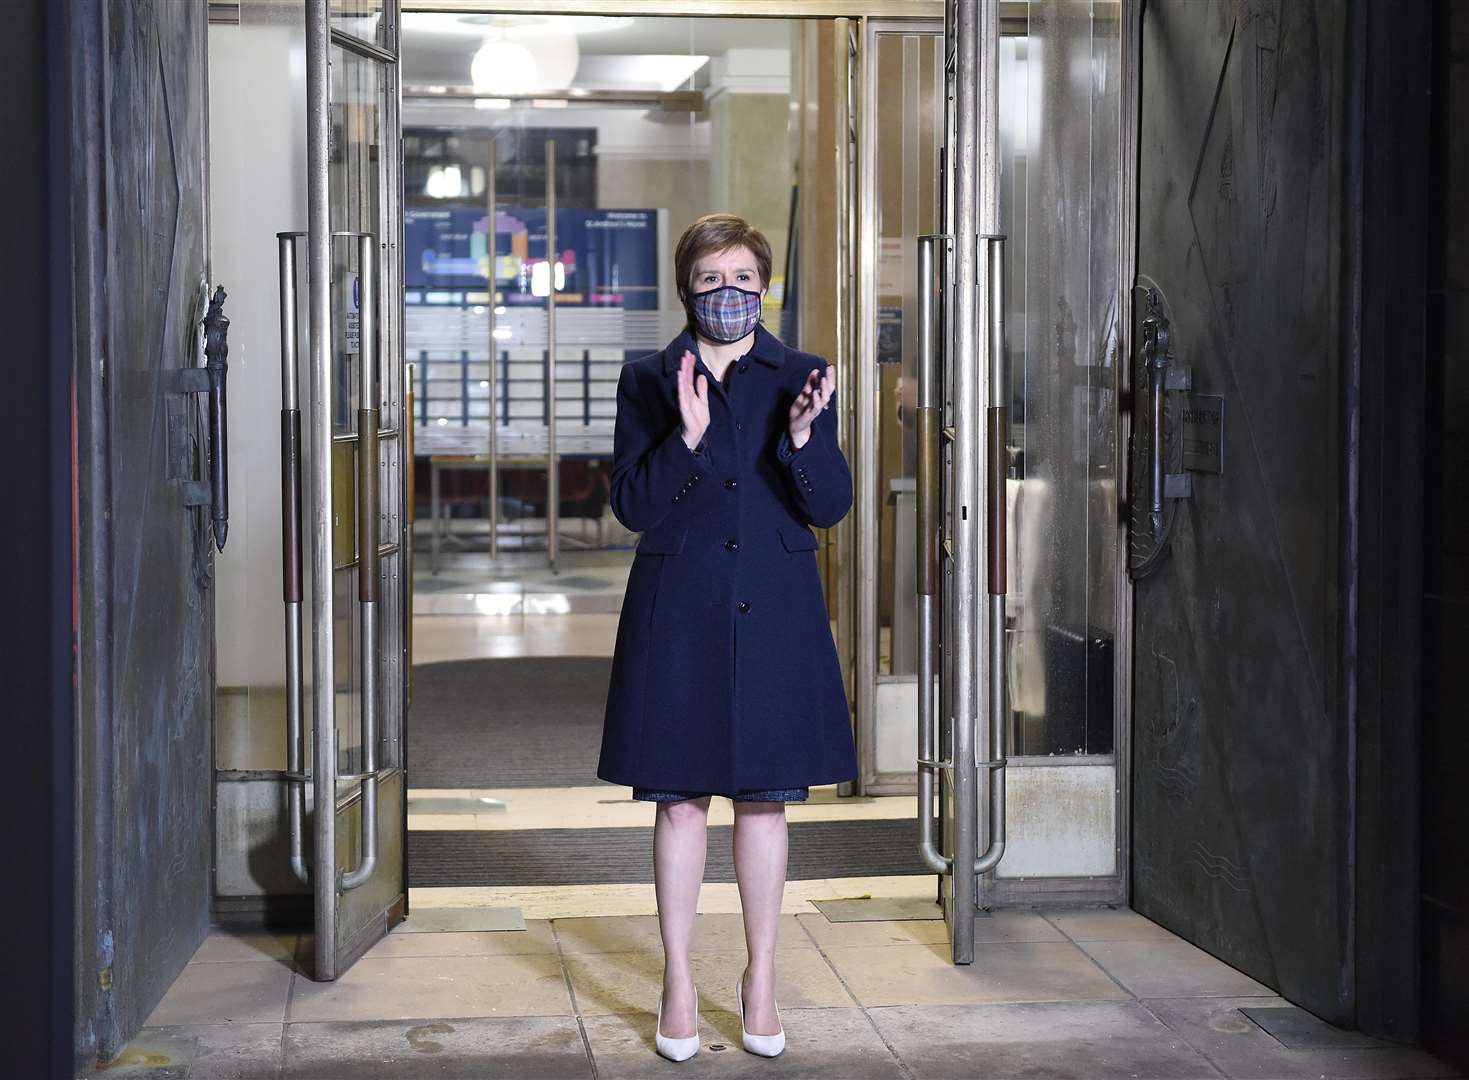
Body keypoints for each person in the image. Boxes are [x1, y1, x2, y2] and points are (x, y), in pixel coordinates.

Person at [596, 212, 858, 1061]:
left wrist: (804, 439)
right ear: (685, 288)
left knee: (765, 802)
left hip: (775, 609)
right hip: (678, 607)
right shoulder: (648, 378)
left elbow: (828, 507)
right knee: (677, 801)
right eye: (710, 280)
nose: (728, 294)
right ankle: (676, 979)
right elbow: (632, 505)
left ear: (765, 283)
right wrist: (688, 438)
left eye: (743, 278)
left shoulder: (801, 375)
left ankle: (761, 978)